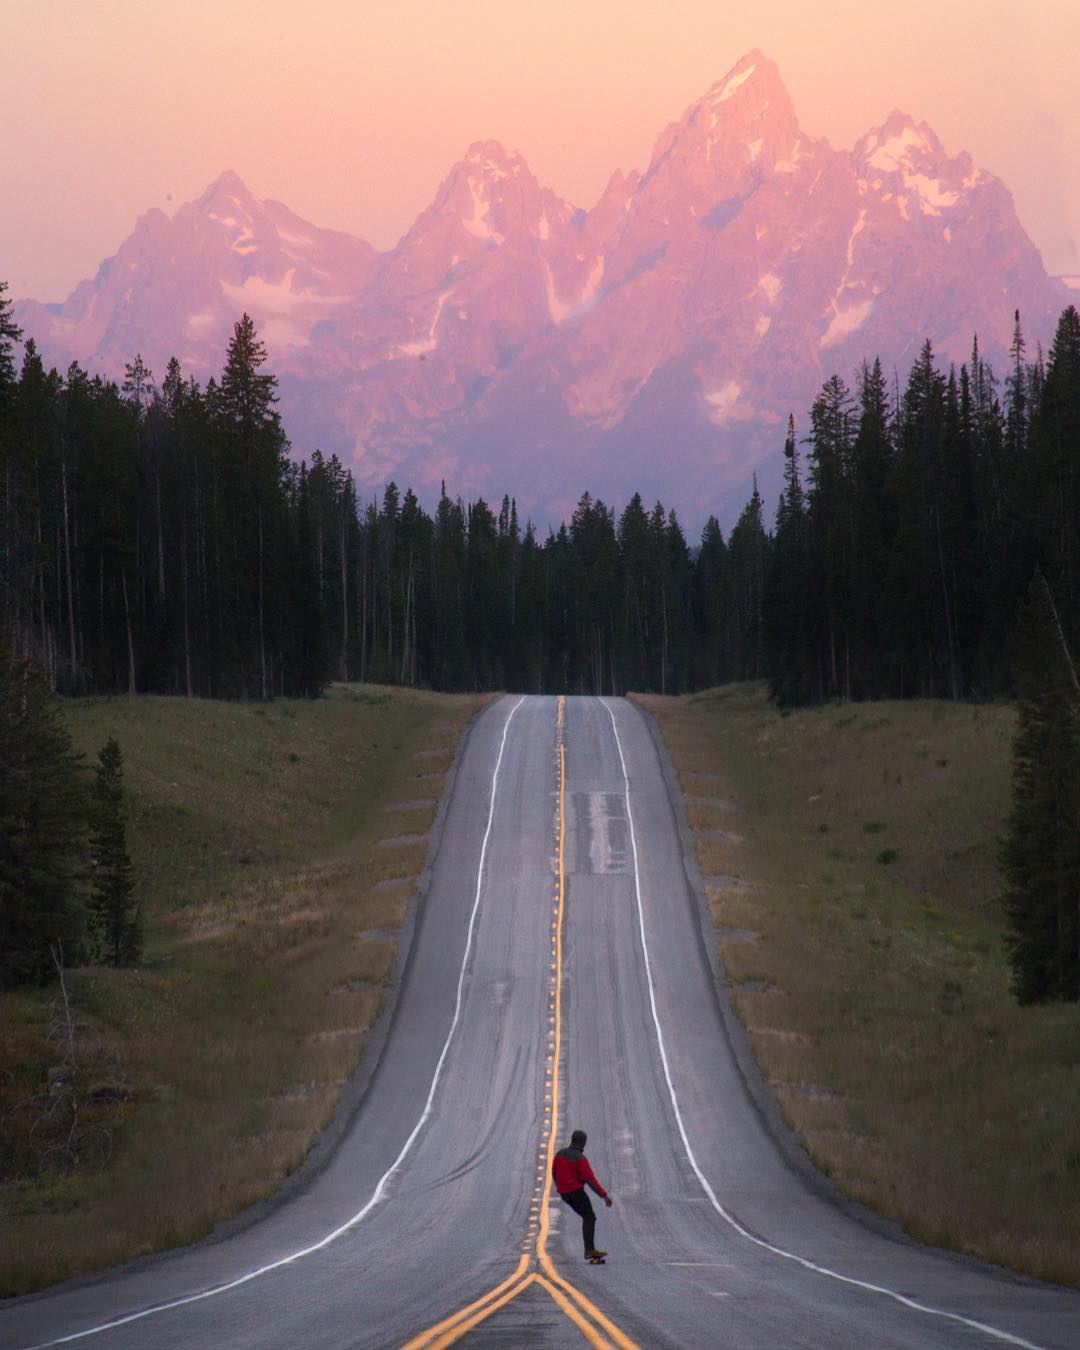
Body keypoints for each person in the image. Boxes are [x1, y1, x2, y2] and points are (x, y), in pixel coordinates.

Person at [552, 1128, 613, 1259]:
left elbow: (554, 1173)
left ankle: (589, 1250)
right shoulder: (580, 1159)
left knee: (587, 1216)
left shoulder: (559, 1154)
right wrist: (604, 1196)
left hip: (564, 1193)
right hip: (576, 1192)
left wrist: (559, 1188)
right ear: (583, 1143)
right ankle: (589, 1250)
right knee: (589, 1217)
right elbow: (590, 1180)